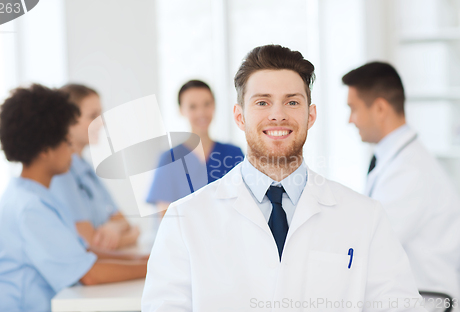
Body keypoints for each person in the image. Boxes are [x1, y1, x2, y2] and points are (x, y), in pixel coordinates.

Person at [142, 45, 426, 311]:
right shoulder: (184, 220)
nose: (277, 115)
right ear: (239, 117)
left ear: (310, 115)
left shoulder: (365, 217)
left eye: (292, 102)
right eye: (263, 102)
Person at [0, 84, 147, 312]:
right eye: (66, 143)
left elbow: (85, 252)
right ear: (46, 150)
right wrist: (154, 266)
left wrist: (146, 259)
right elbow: (90, 275)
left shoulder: (35, 193)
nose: (71, 151)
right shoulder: (31, 207)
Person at [343, 62, 460, 302]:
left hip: (428, 301)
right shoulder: (397, 160)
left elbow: (370, 245)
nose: (350, 120)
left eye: (353, 109)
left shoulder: (410, 171)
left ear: (380, 108)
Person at [50, 84, 139, 250]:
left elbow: (124, 222)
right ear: (66, 122)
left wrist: (114, 227)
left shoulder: (86, 169)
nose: (102, 123)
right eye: (93, 116)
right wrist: (131, 236)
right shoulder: (61, 174)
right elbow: (91, 244)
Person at [146, 80, 244, 215]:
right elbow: (165, 218)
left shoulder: (233, 154)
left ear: (214, 106)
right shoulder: (169, 160)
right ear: (181, 110)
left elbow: (244, 204)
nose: (201, 112)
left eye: (207, 104)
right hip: (184, 236)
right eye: (193, 107)